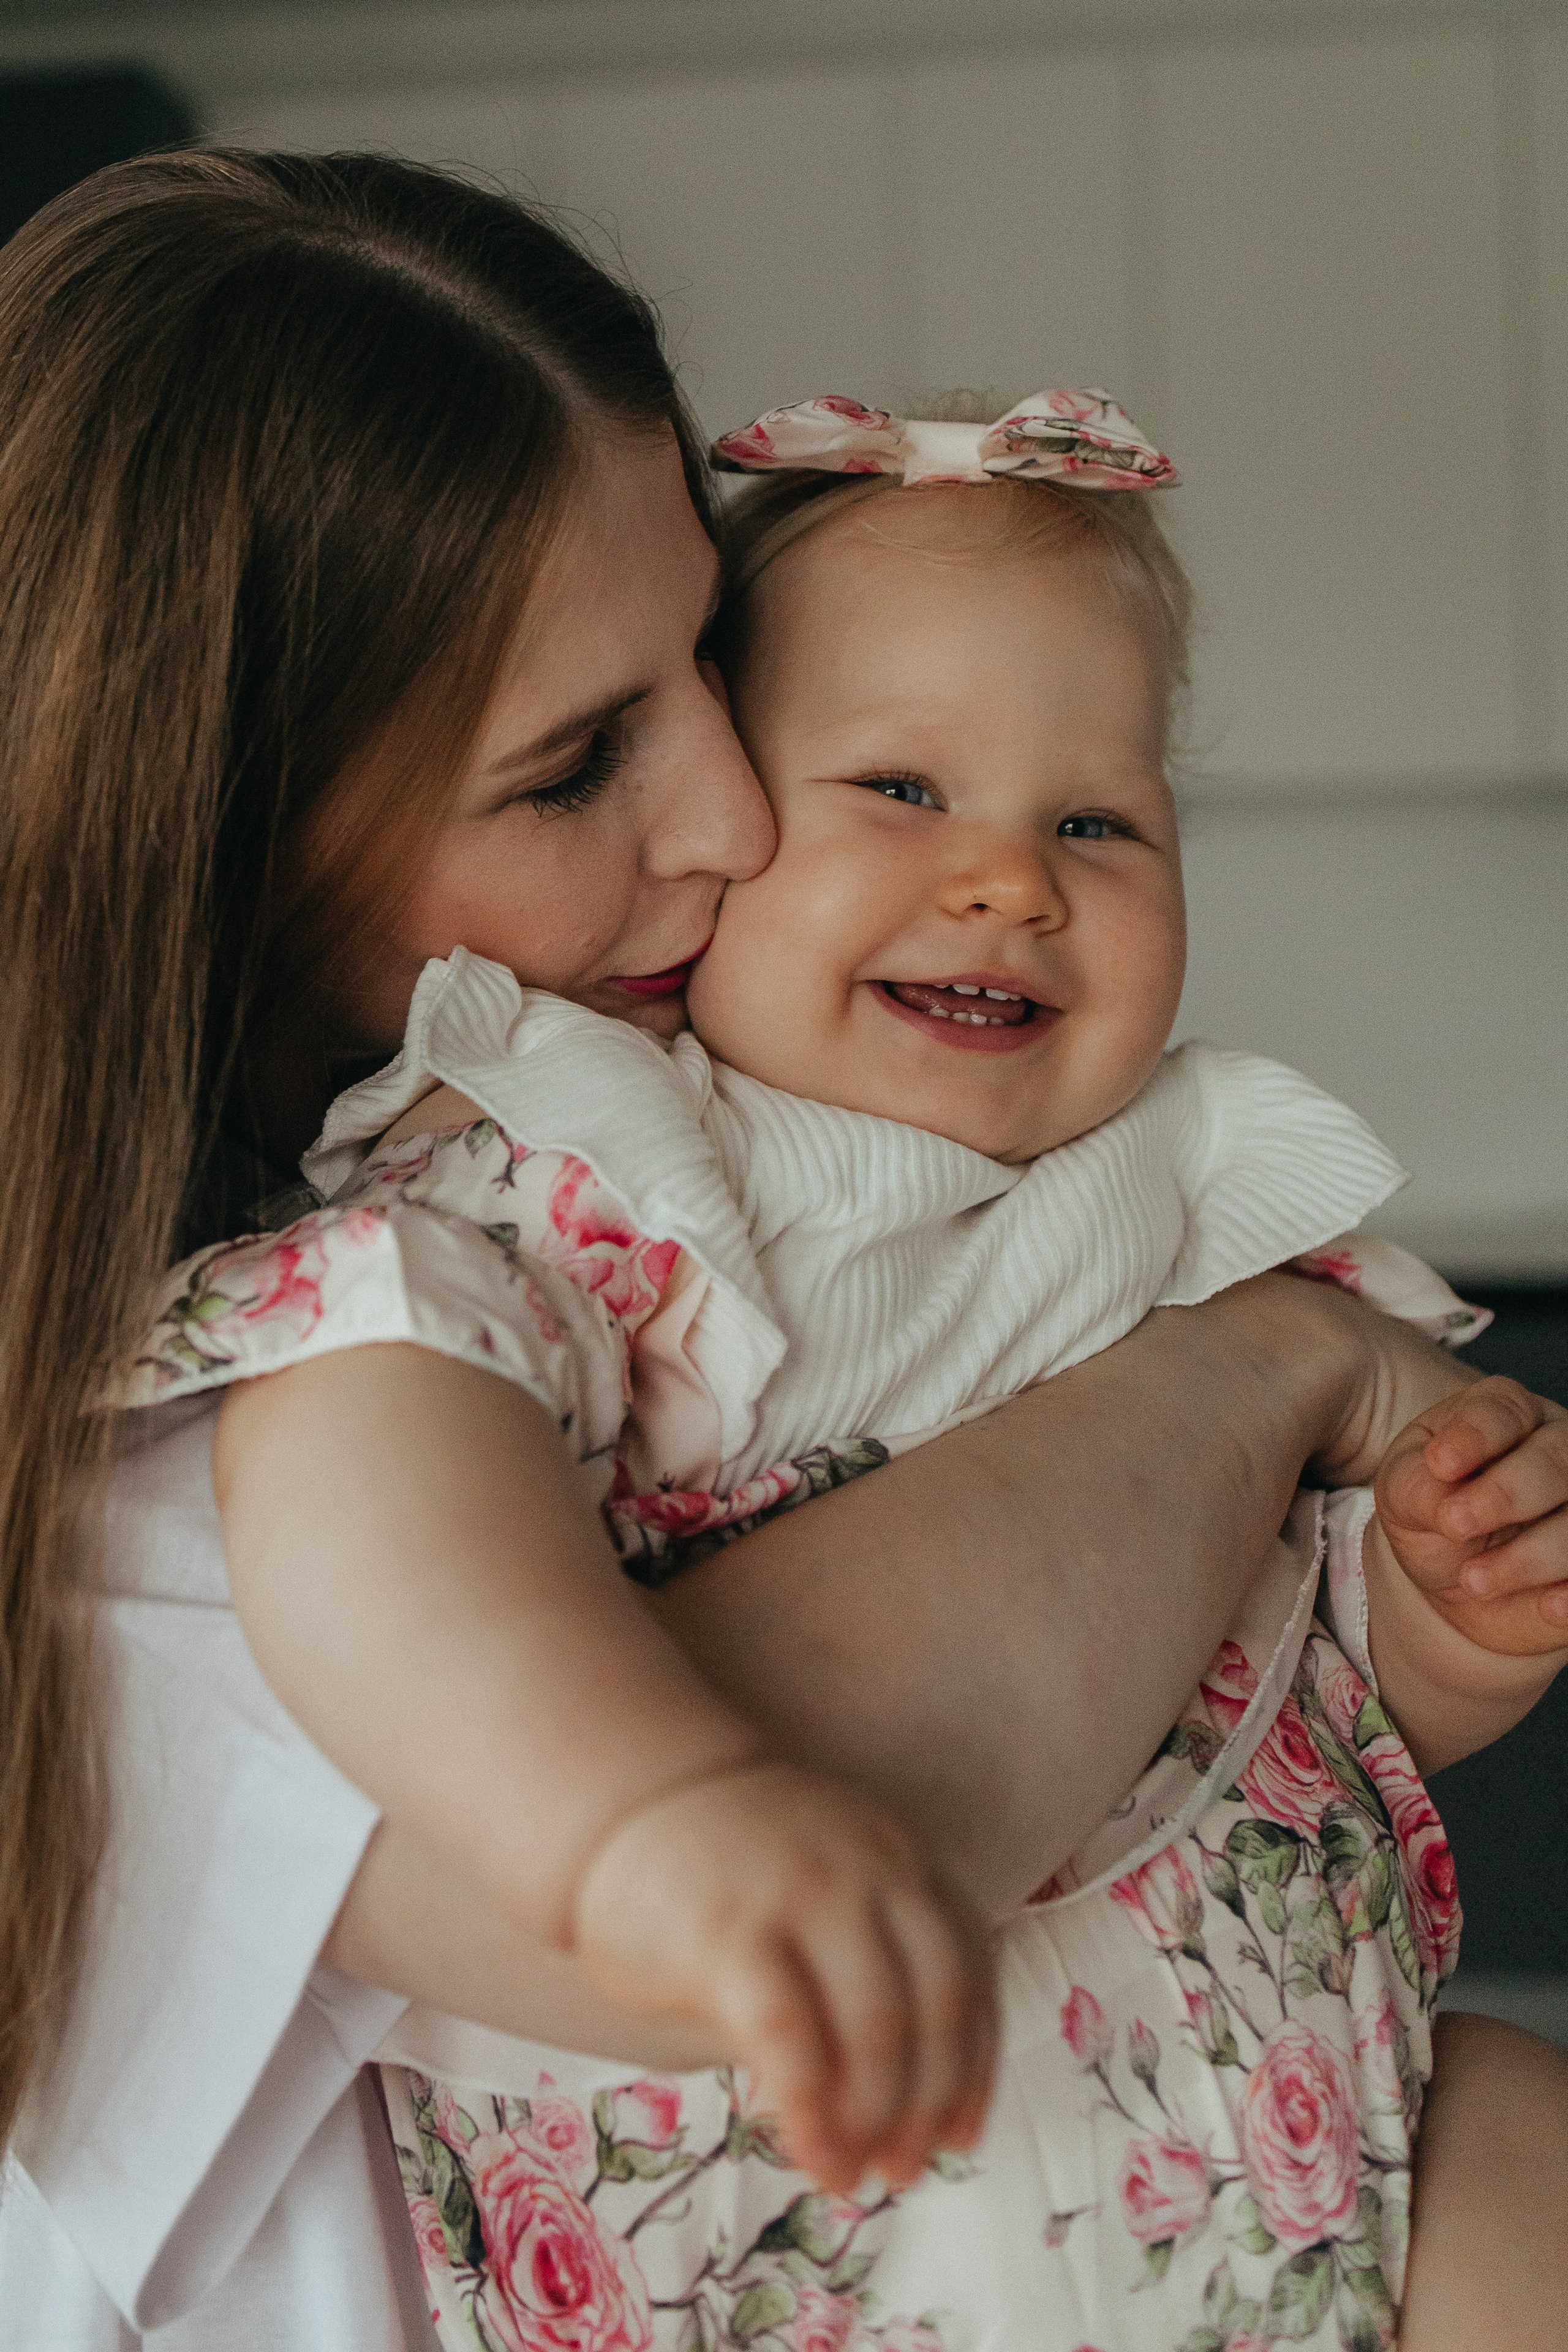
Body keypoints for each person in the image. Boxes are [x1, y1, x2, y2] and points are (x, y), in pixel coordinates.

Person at [0, 149, 1561, 2350]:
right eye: (576, 765)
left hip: (1287, 2194)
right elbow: (503, 1567)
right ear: (223, 871)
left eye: (707, 675)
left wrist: (1433, 1614)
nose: (738, 824)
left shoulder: (1093, 1180)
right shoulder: (440, 1268)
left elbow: (1273, 1673)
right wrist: (1254, 1375)